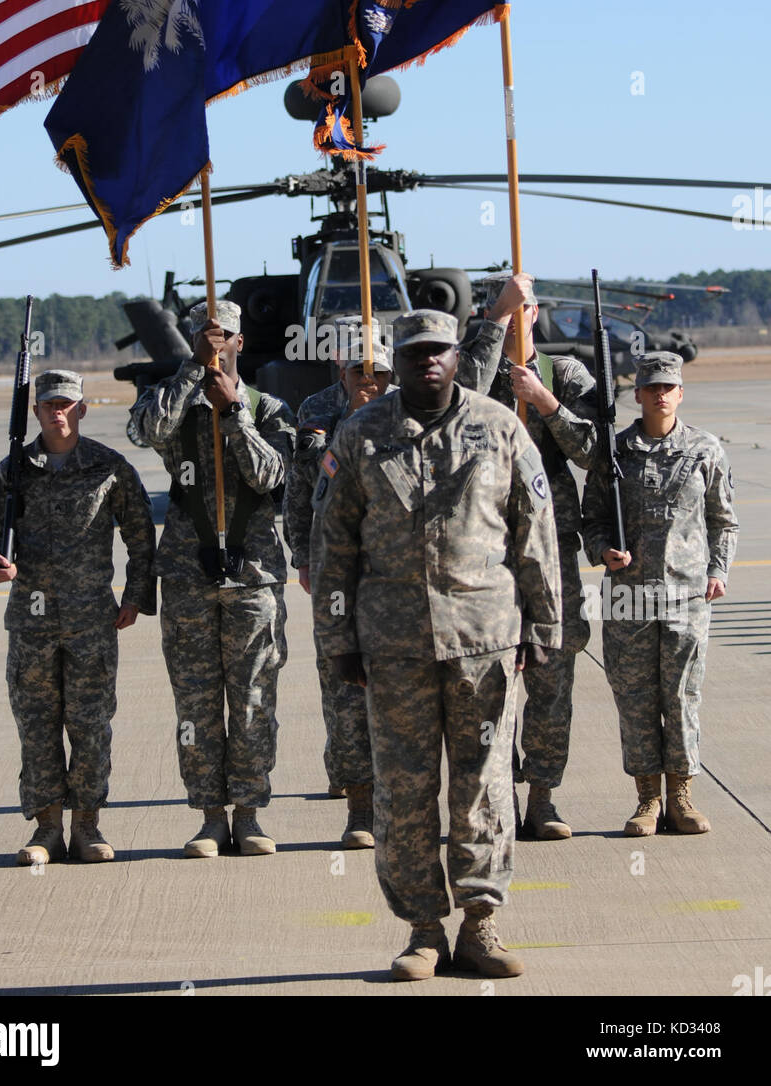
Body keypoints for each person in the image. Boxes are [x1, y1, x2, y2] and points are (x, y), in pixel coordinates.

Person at [310, 310, 562, 981]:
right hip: (391, 650)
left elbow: (533, 528)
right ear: (395, 358)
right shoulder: (361, 433)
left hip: (484, 641)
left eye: (438, 351)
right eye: (414, 352)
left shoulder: (499, 426)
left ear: (457, 355)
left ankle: (480, 923)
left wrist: (545, 623)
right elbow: (332, 547)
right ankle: (423, 929)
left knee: (483, 788)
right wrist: (336, 639)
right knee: (403, 791)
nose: (427, 362)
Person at [0, 369, 156, 865]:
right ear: (35, 412)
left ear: (82, 409)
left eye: (66, 404)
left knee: (91, 725)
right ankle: (46, 828)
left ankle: (88, 826)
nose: (58, 412)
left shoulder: (109, 467)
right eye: (49, 404)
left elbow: (141, 536)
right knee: (36, 726)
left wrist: (135, 596)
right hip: (31, 626)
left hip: (92, 622)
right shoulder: (13, 470)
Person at [129, 300, 295, 857]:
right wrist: (190, 371)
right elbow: (145, 429)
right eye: (206, 336)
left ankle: (247, 813)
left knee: (252, 699)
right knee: (195, 704)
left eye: (224, 337)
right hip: (187, 571)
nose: (215, 344)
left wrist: (234, 413)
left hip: (254, 576)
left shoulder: (267, 408)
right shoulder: (176, 405)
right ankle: (207, 816)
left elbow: (272, 477)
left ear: (240, 343)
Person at [582, 351, 738, 836]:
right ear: (639, 394)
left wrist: (718, 570)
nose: (660, 395)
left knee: (682, 696)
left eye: (669, 387)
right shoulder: (615, 451)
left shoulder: (706, 449)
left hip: (687, 597)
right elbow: (593, 519)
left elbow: (723, 520)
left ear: (681, 393)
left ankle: (682, 797)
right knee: (635, 699)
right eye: (652, 387)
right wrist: (603, 550)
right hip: (628, 598)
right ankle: (648, 799)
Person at [476, 272, 598, 840]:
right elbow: (454, 410)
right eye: (508, 310)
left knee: (552, 675)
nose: (519, 318)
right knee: (488, 680)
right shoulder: (475, 373)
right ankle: (493, 796)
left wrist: (545, 403)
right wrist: (497, 317)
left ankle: (543, 797)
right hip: (487, 552)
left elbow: (598, 451)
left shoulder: (565, 375)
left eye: (526, 308)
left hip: (550, 552)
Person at [283, 332, 393, 846]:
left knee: (401, 692)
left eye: (381, 374)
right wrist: (302, 555)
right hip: (337, 567)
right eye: (359, 372)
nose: (371, 382)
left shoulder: (411, 410)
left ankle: (400, 798)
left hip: (396, 571)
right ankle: (359, 804)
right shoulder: (318, 408)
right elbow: (303, 483)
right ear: (340, 370)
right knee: (344, 688)